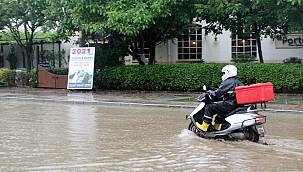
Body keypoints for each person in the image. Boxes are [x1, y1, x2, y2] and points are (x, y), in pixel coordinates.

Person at [196, 65, 243, 132]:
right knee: (219, 112)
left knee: (209, 107)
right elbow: (228, 93)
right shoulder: (237, 82)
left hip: (229, 104)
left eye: (223, 73)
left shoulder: (228, 82)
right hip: (235, 104)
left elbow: (218, 93)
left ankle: (204, 126)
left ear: (228, 72)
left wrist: (210, 95)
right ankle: (216, 128)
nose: (223, 75)